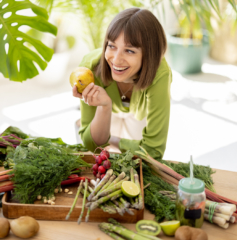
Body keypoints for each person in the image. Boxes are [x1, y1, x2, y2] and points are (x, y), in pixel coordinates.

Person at [72, 8, 172, 160]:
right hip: (109, 109)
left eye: (129, 51)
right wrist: (104, 106)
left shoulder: (159, 74)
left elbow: (153, 151)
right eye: (112, 46)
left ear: (149, 54)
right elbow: (91, 146)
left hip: (139, 113)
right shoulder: (90, 69)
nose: (116, 60)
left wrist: (114, 141)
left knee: (140, 163)